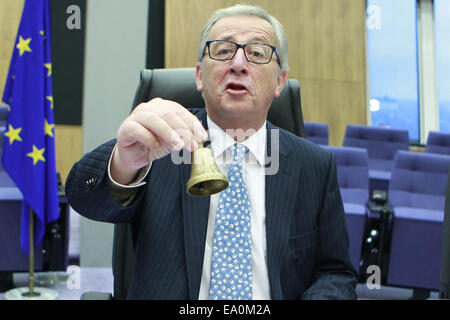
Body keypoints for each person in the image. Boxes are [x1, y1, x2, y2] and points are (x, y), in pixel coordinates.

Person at [66, 4, 357, 300]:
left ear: (280, 81)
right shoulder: (161, 144)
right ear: (199, 76)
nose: (239, 64)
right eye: (222, 50)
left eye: (257, 53)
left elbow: (335, 272)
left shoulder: (315, 166)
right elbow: (85, 199)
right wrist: (125, 162)